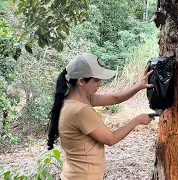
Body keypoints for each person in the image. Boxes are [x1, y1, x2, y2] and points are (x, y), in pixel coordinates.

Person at [47, 52, 154, 180]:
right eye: (96, 80)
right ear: (81, 81)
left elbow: (115, 98)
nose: (100, 84)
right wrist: (137, 120)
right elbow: (111, 139)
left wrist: (139, 86)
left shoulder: (74, 100)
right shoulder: (80, 110)